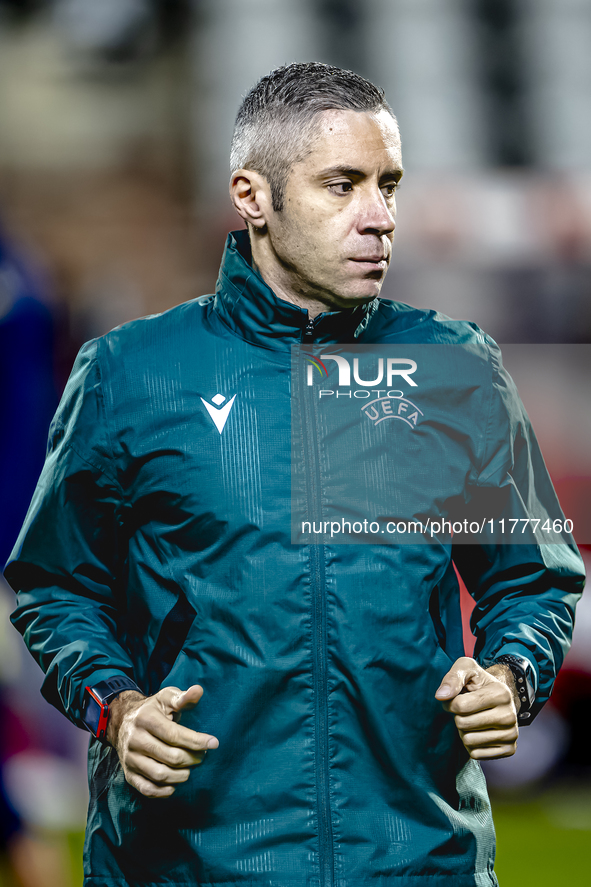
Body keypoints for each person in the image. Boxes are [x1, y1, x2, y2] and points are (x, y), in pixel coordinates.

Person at [4, 62, 585, 887]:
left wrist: (509, 675)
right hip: (187, 864)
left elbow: (531, 578)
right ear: (253, 198)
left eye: (389, 185)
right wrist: (118, 708)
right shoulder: (131, 373)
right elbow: (55, 583)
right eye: (341, 185)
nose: (378, 217)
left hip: (417, 861)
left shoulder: (452, 367)